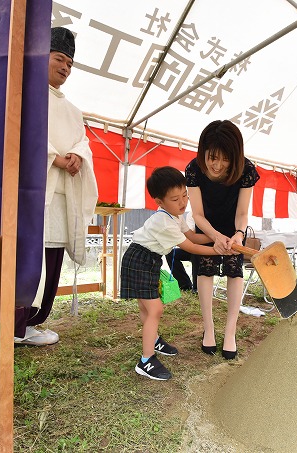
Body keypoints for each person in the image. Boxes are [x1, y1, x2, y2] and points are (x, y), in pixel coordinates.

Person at [14, 27, 98, 346]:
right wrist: (55, 158)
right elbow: (25, 135)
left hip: (62, 196)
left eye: (69, 64)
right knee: (27, 259)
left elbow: (83, 142)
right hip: (35, 194)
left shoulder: (74, 111)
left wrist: (77, 154)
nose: (65, 67)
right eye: (59, 59)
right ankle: (13, 323)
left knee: (52, 259)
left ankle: (33, 324)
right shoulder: (26, 95)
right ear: (43, 58)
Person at [121, 166, 223, 380]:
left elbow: (194, 238)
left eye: (185, 195)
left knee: (148, 308)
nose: (183, 202)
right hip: (139, 260)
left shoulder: (176, 216)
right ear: (159, 202)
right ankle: (146, 360)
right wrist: (217, 249)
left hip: (148, 259)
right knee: (154, 309)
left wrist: (217, 237)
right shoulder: (163, 221)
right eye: (175, 199)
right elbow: (191, 247)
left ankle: (154, 340)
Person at [186, 120, 260, 360]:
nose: (217, 165)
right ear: (204, 152)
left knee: (234, 271)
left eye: (225, 159)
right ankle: (209, 329)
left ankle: (230, 333)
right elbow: (197, 213)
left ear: (235, 156)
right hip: (205, 226)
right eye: (212, 158)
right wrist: (214, 236)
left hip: (232, 228)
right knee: (204, 270)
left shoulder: (247, 170)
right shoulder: (194, 169)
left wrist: (238, 235)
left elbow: (242, 212)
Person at [165, 213, 198, 292]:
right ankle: (185, 285)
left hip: (212, 249)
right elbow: (190, 235)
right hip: (194, 247)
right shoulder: (191, 214)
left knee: (196, 255)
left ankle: (197, 287)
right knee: (171, 253)